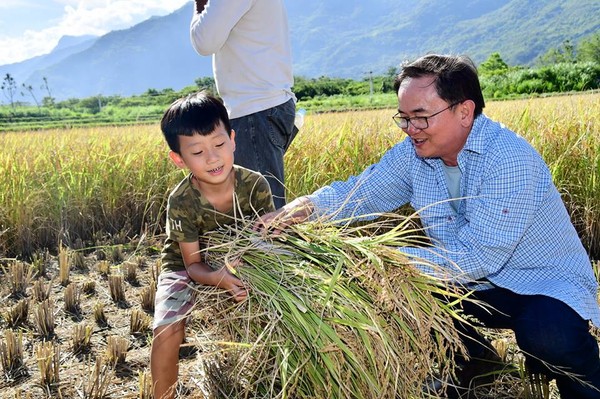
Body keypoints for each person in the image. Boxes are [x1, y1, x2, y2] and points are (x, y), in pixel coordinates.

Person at [257, 54, 600, 398]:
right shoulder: (413, 153)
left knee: (548, 336)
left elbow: (477, 258)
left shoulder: (508, 158)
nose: (411, 129)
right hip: (469, 285)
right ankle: (476, 362)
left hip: (541, 284)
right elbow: (361, 193)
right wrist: (306, 208)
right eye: (404, 119)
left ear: (464, 112)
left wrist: (379, 258)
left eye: (421, 117)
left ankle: (585, 384)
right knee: (400, 293)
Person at [150, 91, 275, 399]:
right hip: (185, 263)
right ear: (179, 159)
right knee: (167, 329)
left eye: (219, 144)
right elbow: (192, 265)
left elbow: (266, 238)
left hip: (240, 254)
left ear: (232, 139)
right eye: (197, 152)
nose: (213, 158)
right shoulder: (182, 201)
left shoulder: (255, 185)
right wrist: (217, 277)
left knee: (273, 314)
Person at [190, 0, 297, 209]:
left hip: (254, 111)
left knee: (262, 220)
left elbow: (204, 41)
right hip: (266, 106)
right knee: (262, 213)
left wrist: (199, 4)